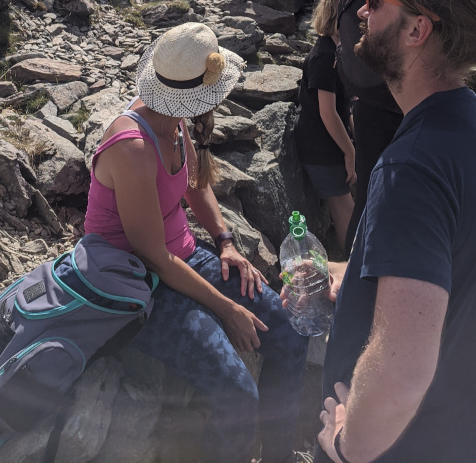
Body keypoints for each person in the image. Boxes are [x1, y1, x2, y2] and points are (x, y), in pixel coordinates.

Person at [310, 0, 476, 463]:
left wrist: (349, 443)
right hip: (470, 436)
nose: (361, 10)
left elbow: (402, 371)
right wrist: (358, 272)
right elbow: (461, 263)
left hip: (408, 445)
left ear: (418, 31)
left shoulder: (410, 166)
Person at [84, 23, 309, 463]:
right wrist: (228, 309)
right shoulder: (131, 146)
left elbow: (193, 184)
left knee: (290, 330)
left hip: (181, 257)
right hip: (137, 280)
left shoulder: (171, 119)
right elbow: (152, 254)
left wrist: (224, 241)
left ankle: (278, 453)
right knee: (235, 391)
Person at [342, 0, 476, 253]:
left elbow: (359, 17)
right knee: (426, 195)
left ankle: (355, 276)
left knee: (370, 192)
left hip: (370, 93)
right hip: (427, 97)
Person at [295, 0, 356, 251]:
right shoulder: (323, 56)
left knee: (347, 202)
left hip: (333, 141)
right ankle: (355, 263)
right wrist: (350, 152)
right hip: (321, 145)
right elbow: (327, 112)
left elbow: (344, 106)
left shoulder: (338, 50)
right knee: (343, 205)